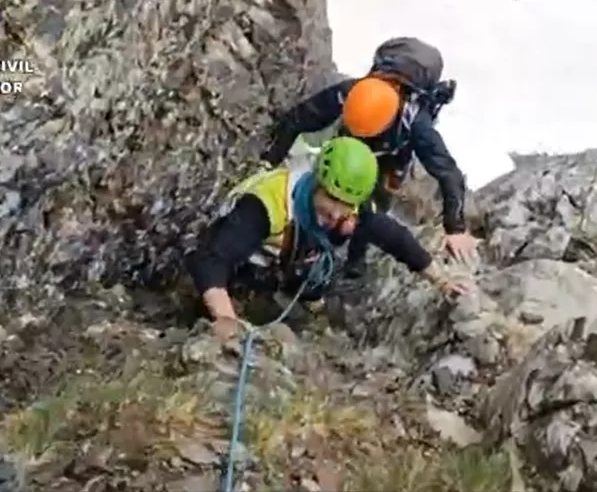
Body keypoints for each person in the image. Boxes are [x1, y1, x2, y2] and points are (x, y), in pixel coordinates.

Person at [187, 136, 470, 342]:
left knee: (317, 264)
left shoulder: (350, 208)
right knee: (228, 277)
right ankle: (239, 296)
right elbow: (211, 258)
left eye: (345, 204)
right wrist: (226, 319)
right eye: (331, 198)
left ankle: (306, 297)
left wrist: (441, 280)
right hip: (243, 250)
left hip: (285, 248)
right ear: (317, 182)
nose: (335, 212)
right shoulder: (266, 204)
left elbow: (395, 238)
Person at [260, 37, 478, 278]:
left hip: (391, 156)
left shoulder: (416, 124)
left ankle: (356, 256)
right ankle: (316, 237)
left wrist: (455, 228)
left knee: (374, 205)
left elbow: (448, 172)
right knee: (335, 187)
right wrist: (268, 161)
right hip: (352, 145)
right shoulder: (350, 93)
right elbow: (300, 118)